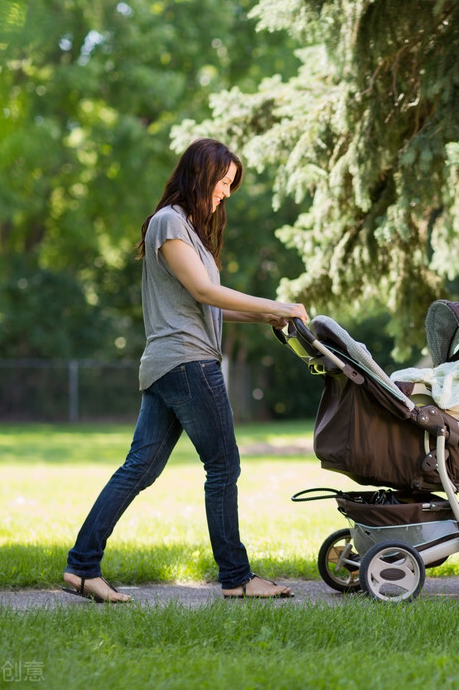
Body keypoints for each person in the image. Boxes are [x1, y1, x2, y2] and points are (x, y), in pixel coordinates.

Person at [63, 138, 307, 602]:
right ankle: (236, 577)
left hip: (168, 366)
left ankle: (82, 567)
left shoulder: (188, 232)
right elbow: (204, 292)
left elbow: (209, 305)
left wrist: (266, 316)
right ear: (200, 173)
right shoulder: (169, 223)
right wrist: (276, 303)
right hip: (188, 363)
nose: (226, 193)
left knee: (139, 469)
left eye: (232, 185)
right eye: (223, 182)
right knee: (223, 465)